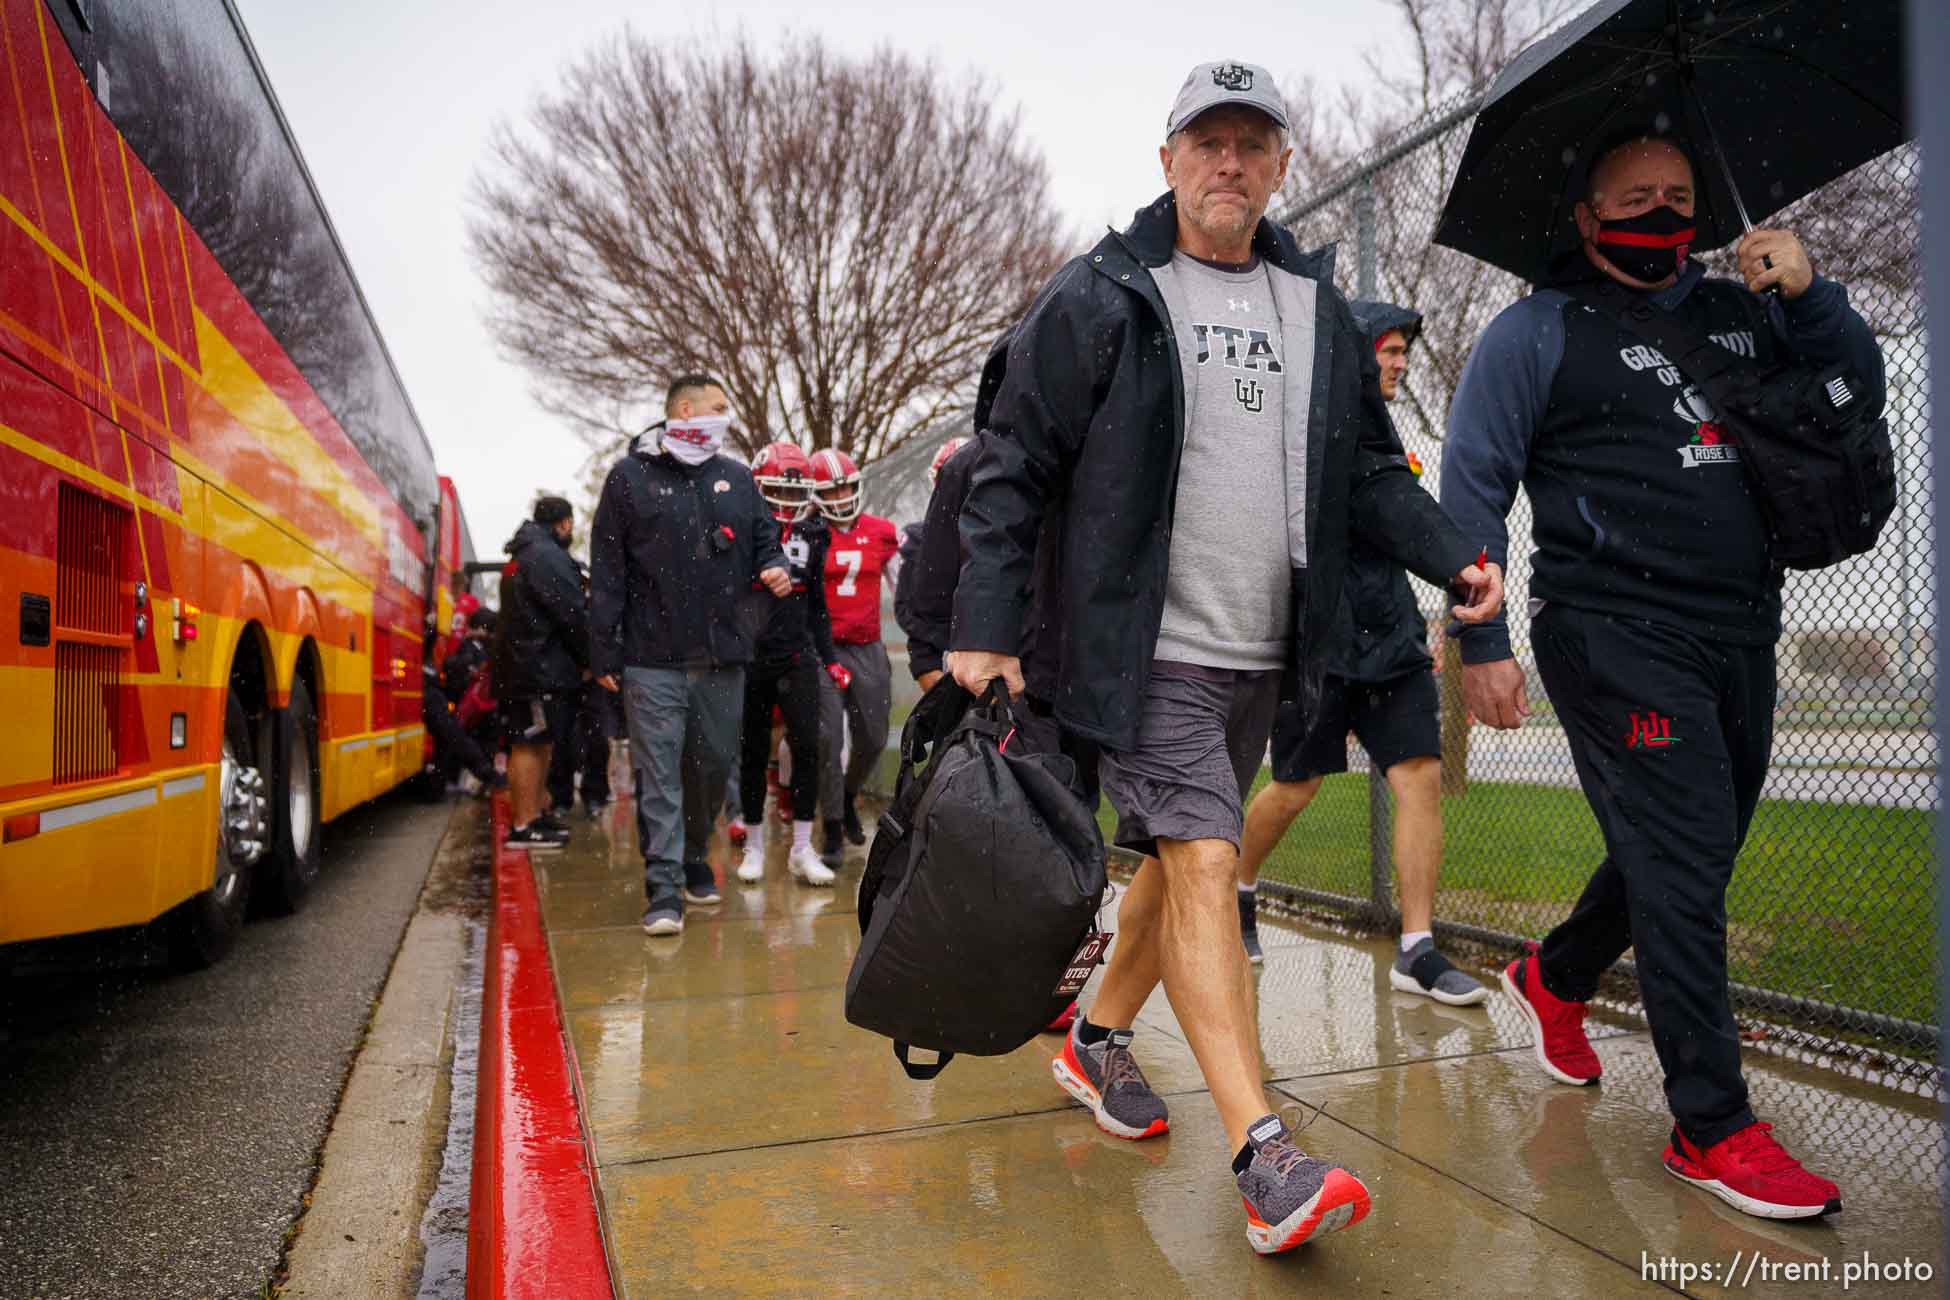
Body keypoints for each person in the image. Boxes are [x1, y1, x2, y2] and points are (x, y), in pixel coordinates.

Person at [947, 60, 1502, 1255]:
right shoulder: (1106, 291)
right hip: (1141, 644)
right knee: (1205, 855)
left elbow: (1365, 468)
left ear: (1281, 166)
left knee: (1171, 860)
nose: (1229, 163)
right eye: (1208, 141)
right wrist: (984, 622)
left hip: (1268, 648)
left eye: (1253, 143)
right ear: (1168, 159)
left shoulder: (1315, 307)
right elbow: (1013, 462)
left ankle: (1094, 1042)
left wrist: (1452, 553)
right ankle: (1266, 1154)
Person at [1440, 132, 1883, 1220]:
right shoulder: (1534, 329)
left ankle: (1556, 975)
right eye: (1633, 197)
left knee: (1693, 843)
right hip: (1610, 629)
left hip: (1741, 623)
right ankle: (1712, 1123)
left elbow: (1850, 390)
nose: (1660, 212)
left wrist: (1812, 294)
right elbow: (1471, 487)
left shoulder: (1750, 305)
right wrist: (1481, 644)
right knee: (1686, 862)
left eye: (1678, 196)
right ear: (1587, 218)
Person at [1234, 302, 1487, 1006]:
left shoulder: (1389, 442)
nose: (1400, 362)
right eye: (1389, 350)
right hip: (1318, 643)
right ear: (1352, 357)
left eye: (1405, 351)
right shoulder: (1300, 431)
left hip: (1391, 638)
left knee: (1419, 776)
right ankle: (1241, 887)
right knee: (1295, 787)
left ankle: (1416, 946)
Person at [590, 375, 791, 936]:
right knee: (659, 774)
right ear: (684, 409)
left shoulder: (737, 478)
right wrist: (604, 649)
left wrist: (775, 566)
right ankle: (662, 887)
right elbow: (607, 571)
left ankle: (694, 856)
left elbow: (765, 540)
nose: (725, 418)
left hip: (724, 657)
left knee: (710, 768)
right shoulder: (630, 478)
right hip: (651, 658)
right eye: (718, 408)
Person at [732, 441, 852, 889]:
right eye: (777, 491)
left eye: (793, 491)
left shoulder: (814, 532)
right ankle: (755, 846)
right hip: (750, 655)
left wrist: (830, 658)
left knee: (809, 746)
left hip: (796, 652)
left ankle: (803, 847)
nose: (785, 501)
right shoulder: (742, 526)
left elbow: (817, 603)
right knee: (752, 750)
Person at [809, 448, 900, 857]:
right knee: (828, 739)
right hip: (823, 648)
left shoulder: (881, 531)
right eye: (831, 490)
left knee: (874, 736)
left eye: (846, 486)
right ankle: (830, 825)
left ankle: (845, 795)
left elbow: (903, 588)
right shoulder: (810, 534)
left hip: (867, 645)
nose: (842, 495)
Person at [494, 496, 589, 849]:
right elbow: (572, 614)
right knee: (530, 743)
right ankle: (523, 824)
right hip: (536, 668)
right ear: (563, 523)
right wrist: (591, 657)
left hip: (531, 665)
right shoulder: (547, 556)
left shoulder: (528, 553)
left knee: (540, 741)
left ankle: (534, 814)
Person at [893, 435, 969, 692]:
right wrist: (941, 639)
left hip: (989, 646)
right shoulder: (918, 538)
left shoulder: (1002, 537)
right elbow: (906, 608)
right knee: (942, 721)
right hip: (933, 646)